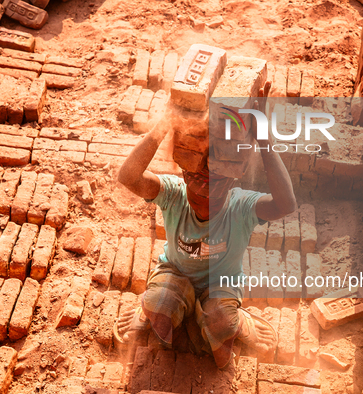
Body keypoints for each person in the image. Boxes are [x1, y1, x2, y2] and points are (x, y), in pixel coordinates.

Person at [116, 84, 297, 369]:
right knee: (159, 308)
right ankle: (157, 309)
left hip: (220, 286)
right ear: (184, 177)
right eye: (198, 184)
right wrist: (165, 124)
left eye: (216, 186)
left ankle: (236, 322)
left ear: (233, 180)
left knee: (222, 327)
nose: (205, 195)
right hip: (175, 274)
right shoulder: (173, 193)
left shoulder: (242, 206)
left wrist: (263, 139)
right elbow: (127, 176)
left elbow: (286, 205)